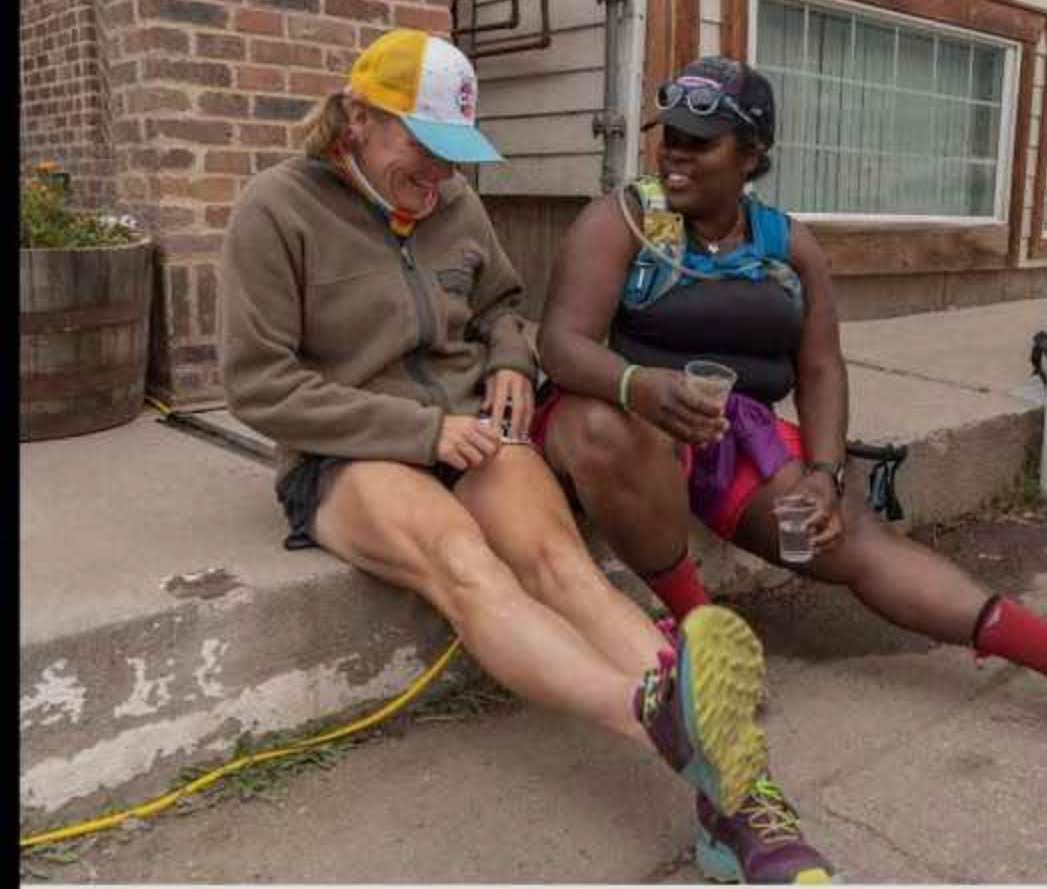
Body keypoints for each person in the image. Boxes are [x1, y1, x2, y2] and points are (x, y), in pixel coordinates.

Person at [220, 30, 828, 885]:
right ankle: (662, 719)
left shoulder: (457, 205)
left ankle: (741, 796)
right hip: (350, 450)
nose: (438, 179)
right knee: (467, 565)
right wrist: (418, 432)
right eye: (421, 151)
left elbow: (504, 307)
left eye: (453, 158)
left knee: (563, 564)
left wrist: (508, 359)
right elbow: (259, 385)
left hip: (472, 429)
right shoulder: (275, 208)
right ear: (357, 118)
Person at [533, 54, 1047, 882]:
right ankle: (705, 636)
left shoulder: (787, 244)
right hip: (617, 412)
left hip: (735, 432)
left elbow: (822, 368)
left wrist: (823, 469)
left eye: (703, 143)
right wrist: (638, 385)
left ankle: (1037, 647)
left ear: (752, 155)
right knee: (605, 434)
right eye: (672, 136)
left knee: (851, 542)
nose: (675, 155)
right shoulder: (625, 220)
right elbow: (558, 343)